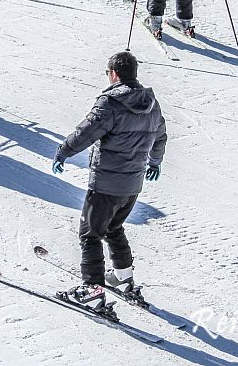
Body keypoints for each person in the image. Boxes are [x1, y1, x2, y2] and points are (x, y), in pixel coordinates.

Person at [52, 51, 167, 311]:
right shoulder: (151, 101)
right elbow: (160, 136)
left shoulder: (110, 103)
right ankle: (124, 278)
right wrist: (155, 162)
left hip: (107, 182)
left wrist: (63, 152)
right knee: (113, 228)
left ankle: (92, 289)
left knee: (90, 233)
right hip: (133, 183)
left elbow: (86, 132)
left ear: (114, 74)